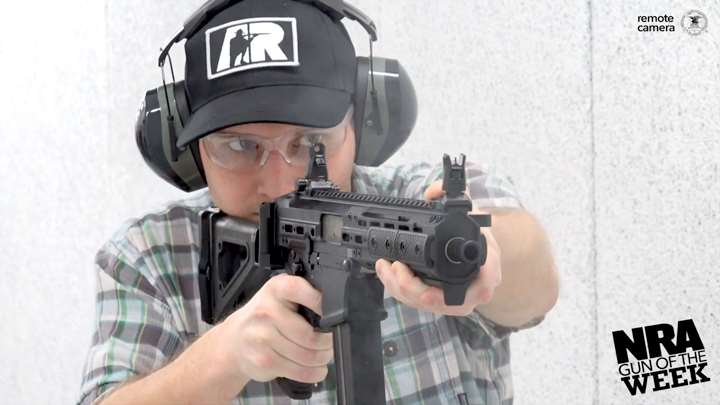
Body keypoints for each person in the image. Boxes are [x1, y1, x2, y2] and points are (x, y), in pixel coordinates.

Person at [77, 1, 559, 404]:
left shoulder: (415, 196)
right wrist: (225, 357)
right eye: (241, 146)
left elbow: (536, 280)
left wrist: (488, 253)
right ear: (185, 151)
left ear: (363, 122)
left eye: (310, 141)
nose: (280, 178)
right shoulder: (151, 255)